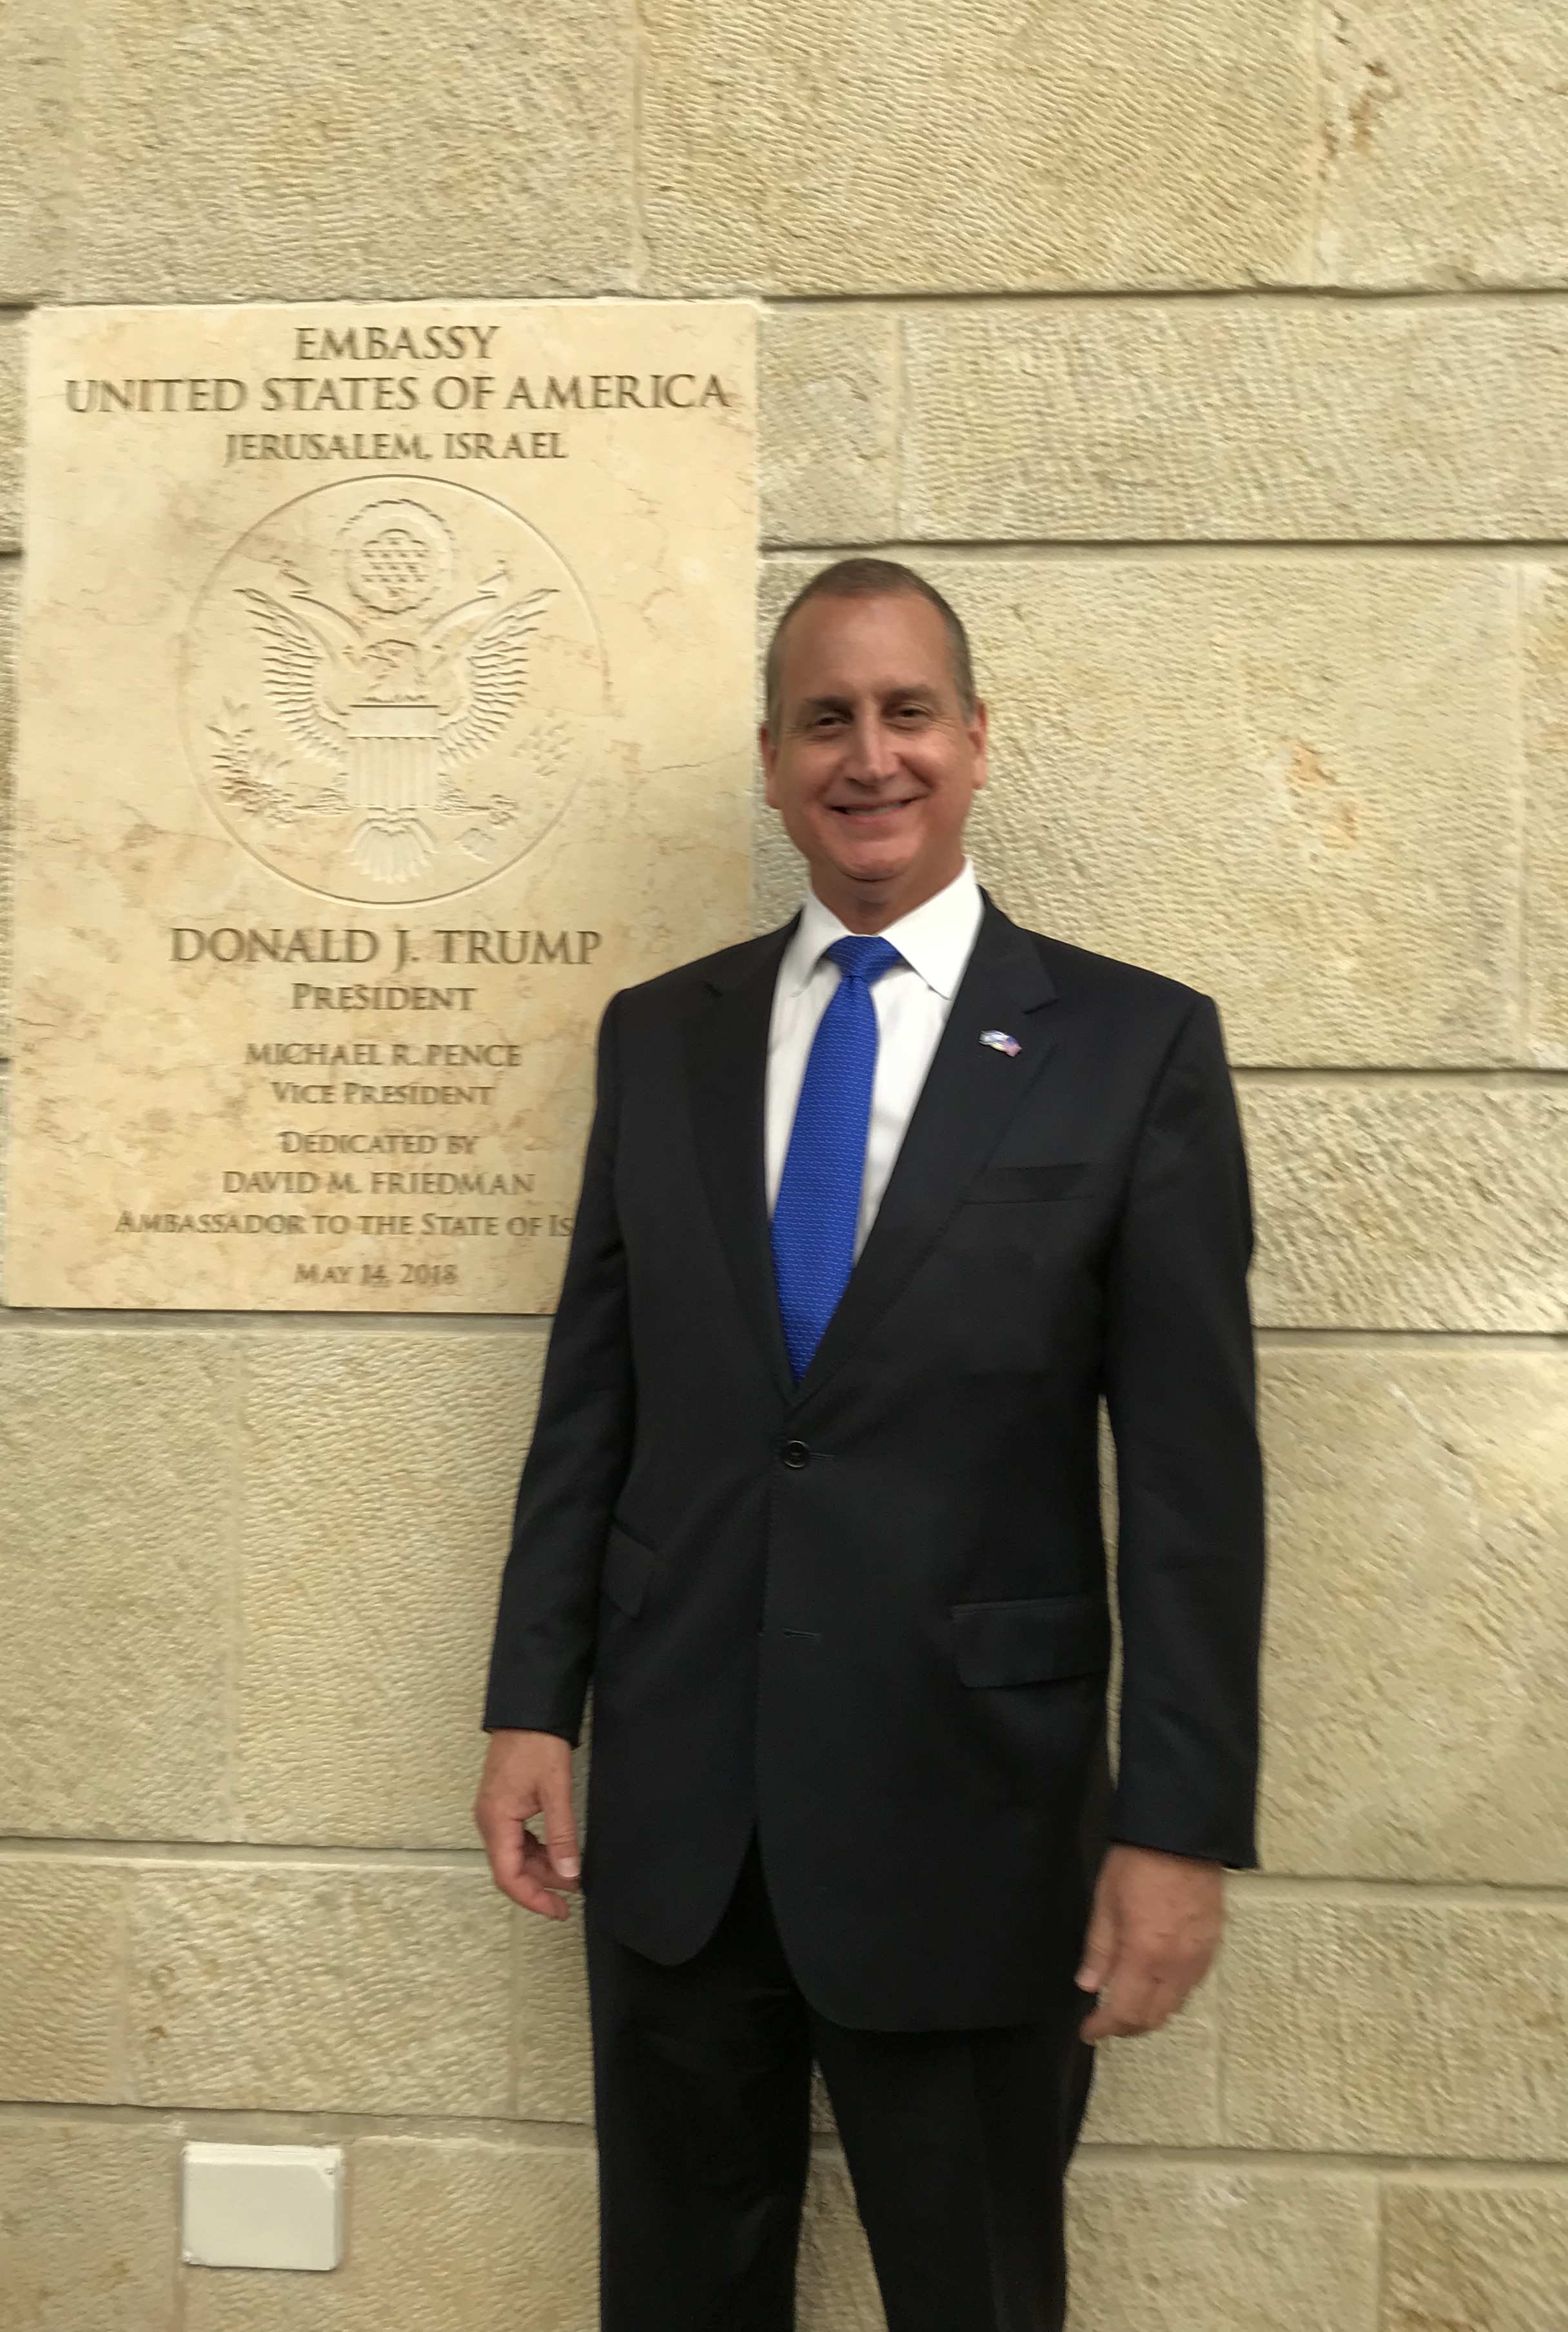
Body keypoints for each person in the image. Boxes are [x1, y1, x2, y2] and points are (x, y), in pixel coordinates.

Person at [476, 557, 1263, 2332]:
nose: (869, 754)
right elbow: (593, 1400)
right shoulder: (661, 1039)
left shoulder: (1133, 1049)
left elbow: (1198, 1488)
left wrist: (1179, 1828)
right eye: (825, 718)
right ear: (771, 761)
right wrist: (534, 1703)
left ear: (977, 740)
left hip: (974, 1827)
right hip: (682, 1822)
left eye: (909, 712)